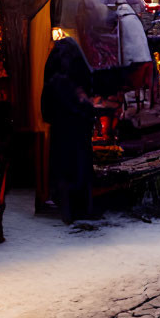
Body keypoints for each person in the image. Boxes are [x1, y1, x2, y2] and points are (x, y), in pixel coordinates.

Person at [40, 38, 96, 224]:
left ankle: (68, 212)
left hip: (61, 130)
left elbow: (46, 111)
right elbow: (88, 100)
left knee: (64, 171)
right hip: (79, 130)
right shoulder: (81, 73)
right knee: (81, 169)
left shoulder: (52, 79)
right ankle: (84, 209)